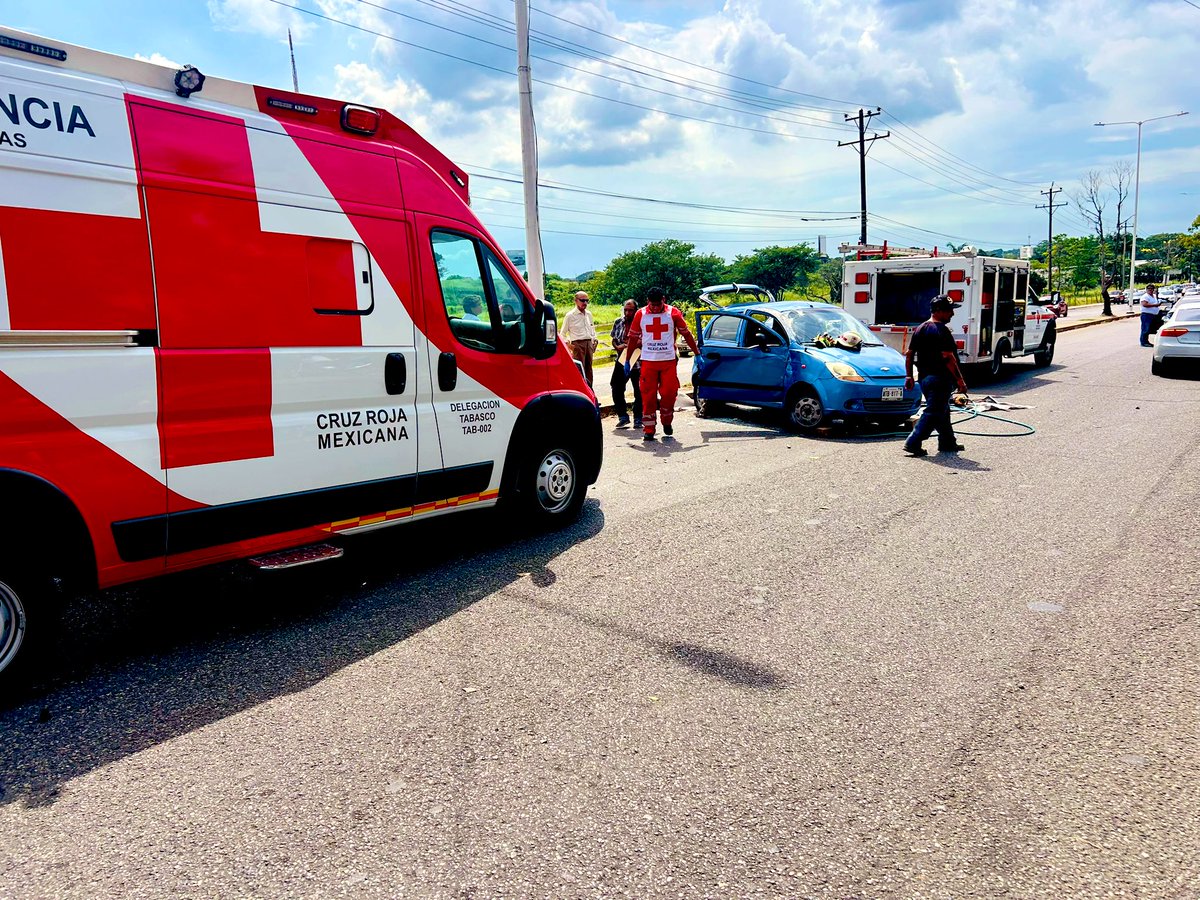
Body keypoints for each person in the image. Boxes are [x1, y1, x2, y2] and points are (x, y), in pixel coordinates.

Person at [627, 286, 699, 441]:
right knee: (648, 396)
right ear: (647, 302)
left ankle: (667, 422)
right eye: (652, 304)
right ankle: (649, 429)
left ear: (663, 300)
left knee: (669, 394)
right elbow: (632, 339)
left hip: (668, 362)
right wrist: (627, 360)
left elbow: (686, 334)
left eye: (657, 304)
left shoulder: (673, 313)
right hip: (648, 362)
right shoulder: (640, 314)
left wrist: (697, 354)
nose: (654, 307)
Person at [902, 295, 969, 457]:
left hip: (925, 379)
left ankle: (947, 442)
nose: (952, 314)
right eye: (949, 311)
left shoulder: (920, 328)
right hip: (940, 378)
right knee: (933, 412)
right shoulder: (941, 330)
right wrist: (960, 380)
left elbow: (909, 354)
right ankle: (913, 442)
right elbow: (948, 357)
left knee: (942, 410)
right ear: (938, 311)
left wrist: (909, 376)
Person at [609, 299, 643, 428]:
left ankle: (638, 418)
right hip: (622, 360)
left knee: (639, 390)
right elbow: (613, 339)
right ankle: (623, 416)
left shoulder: (642, 322)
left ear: (636, 310)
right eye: (626, 310)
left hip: (638, 361)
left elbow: (647, 340)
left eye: (631, 310)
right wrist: (617, 346)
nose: (628, 313)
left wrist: (635, 344)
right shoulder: (619, 322)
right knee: (616, 386)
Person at [563, 290, 597, 386]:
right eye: (582, 300)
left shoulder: (589, 314)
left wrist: (594, 340)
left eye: (587, 300)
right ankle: (581, 390)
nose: (585, 303)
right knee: (579, 370)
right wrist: (569, 346)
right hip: (577, 344)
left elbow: (592, 328)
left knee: (589, 369)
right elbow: (562, 333)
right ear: (576, 300)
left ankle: (590, 391)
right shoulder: (570, 315)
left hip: (589, 343)